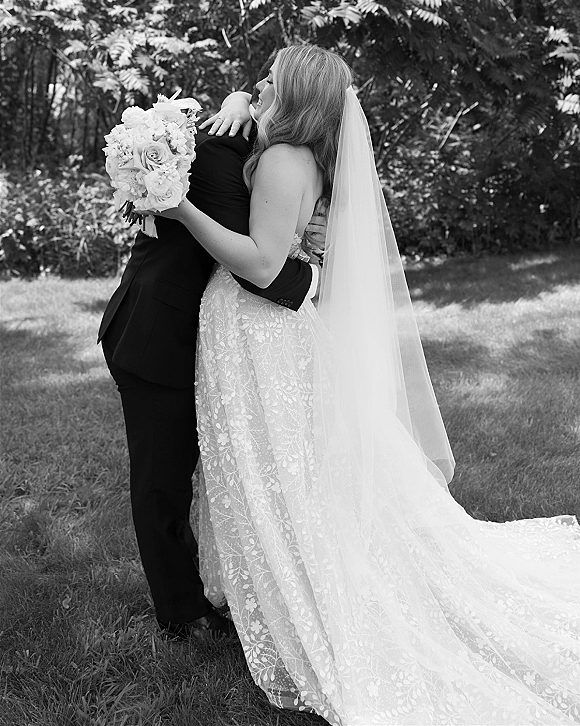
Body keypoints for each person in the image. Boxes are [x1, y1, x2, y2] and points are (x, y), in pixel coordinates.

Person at [151, 44, 580, 725]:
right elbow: (259, 172)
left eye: (271, 77)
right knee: (273, 468)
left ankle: (301, 591)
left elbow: (262, 265)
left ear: (296, 92)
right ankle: (263, 583)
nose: (259, 82)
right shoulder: (297, 149)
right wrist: (233, 103)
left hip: (259, 330)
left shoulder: (286, 161)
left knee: (280, 473)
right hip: (259, 334)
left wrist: (181, 212)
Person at [98, 79, 322, 640]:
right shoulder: (225, 150)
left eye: (269, 83)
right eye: (257, 83)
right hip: (158, 334)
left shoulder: (268, 152)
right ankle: (183, 611)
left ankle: (230, 584)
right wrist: (314, 278)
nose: (256, 87)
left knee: (226, 467)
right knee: (163, 479)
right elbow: (262, 269)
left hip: (215, 339)